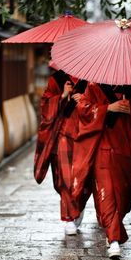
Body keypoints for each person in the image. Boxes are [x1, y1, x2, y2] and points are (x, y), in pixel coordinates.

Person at [71, 83, 131, 258]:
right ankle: (113, 240)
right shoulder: (94, 86)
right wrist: (108, 108)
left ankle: (114, 231)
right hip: (103, 148)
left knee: (122, 196)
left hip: (125, 149)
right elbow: (83, 110)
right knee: (106, 192)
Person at [34, 69, 90, 235]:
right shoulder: (57, 79)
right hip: (62, 134)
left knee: (84, 178)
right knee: (64, 178)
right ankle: (69, 217)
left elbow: (99, 104)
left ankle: (77, 207)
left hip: (86, 133)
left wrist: (86, 100)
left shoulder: (93, 79)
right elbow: (45, 105)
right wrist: (63, 95)